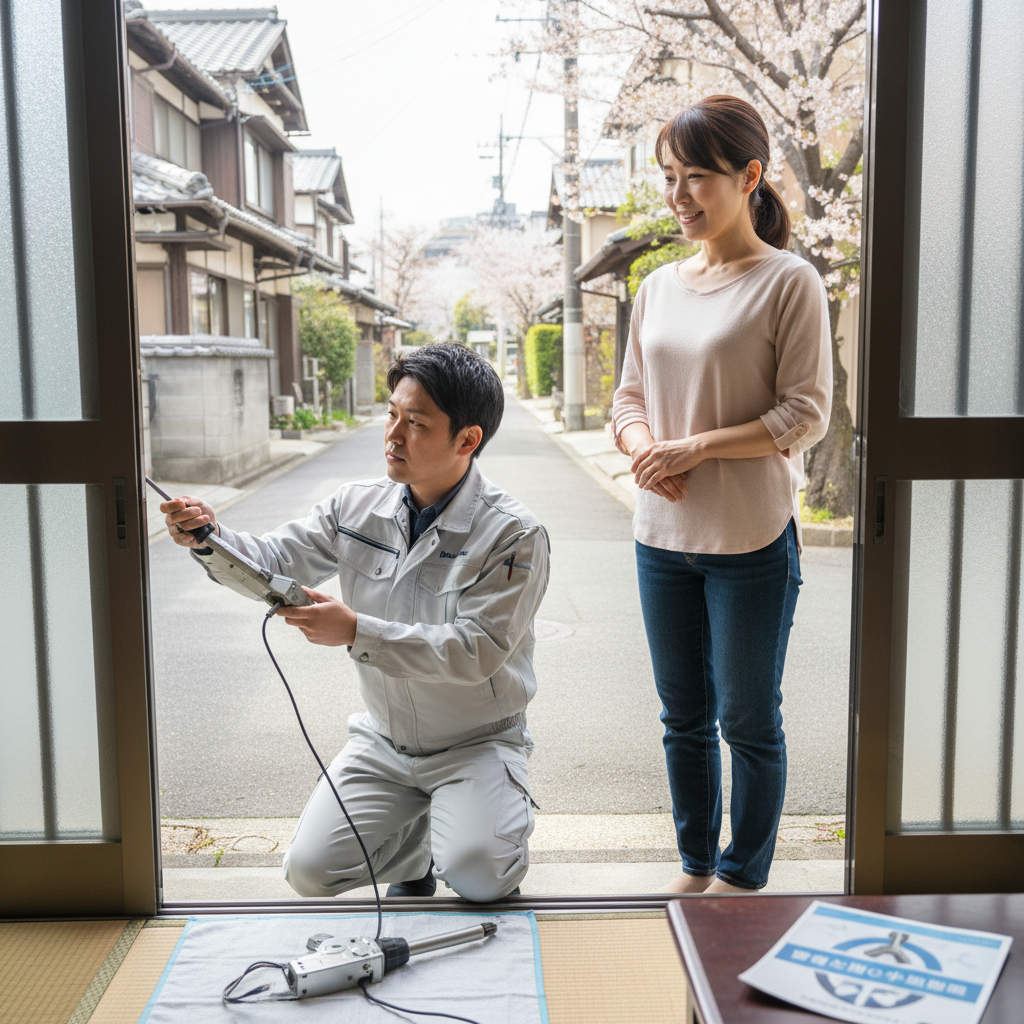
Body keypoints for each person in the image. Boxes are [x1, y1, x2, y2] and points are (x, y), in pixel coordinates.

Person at [160, 342, 549, 902]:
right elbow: (273, 560)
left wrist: (355, 631)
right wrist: (209, 539)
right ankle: (417, 849)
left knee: (480, 878)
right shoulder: (355, 506)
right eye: (392, 414)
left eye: (416, 423)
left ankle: (469, 830)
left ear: (467, 440)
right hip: (384, 742)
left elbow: (478, 650)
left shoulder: (513, 533)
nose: (393, 435)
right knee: (308, 873)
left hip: (477, 743)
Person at [612, 95, 832, 894]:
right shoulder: (657, 287)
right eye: (670, 178)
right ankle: (696, 866)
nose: (679, 196)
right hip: (660, 537)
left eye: (696, 176)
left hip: (751, 538)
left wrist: (696, 446)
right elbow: (628, 399)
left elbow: (806, 414)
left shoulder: (789, 282)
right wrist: (644, 448)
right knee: (683, 719)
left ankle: (743, 878)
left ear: (749, 176)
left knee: (747, 719)